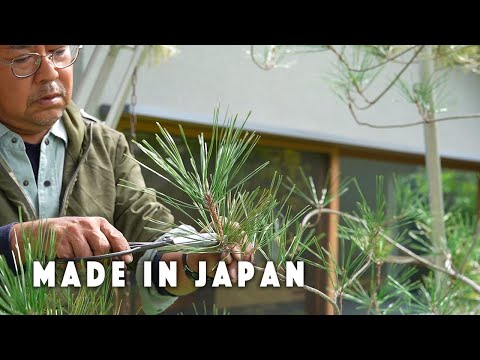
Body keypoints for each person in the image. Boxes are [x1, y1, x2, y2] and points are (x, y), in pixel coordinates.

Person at [0, 45, 253, 314]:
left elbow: (151, 242)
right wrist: (19, 239)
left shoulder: (105, 145)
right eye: (24, 58)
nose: (49, 73)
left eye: (59, 52)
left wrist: (196, 259)